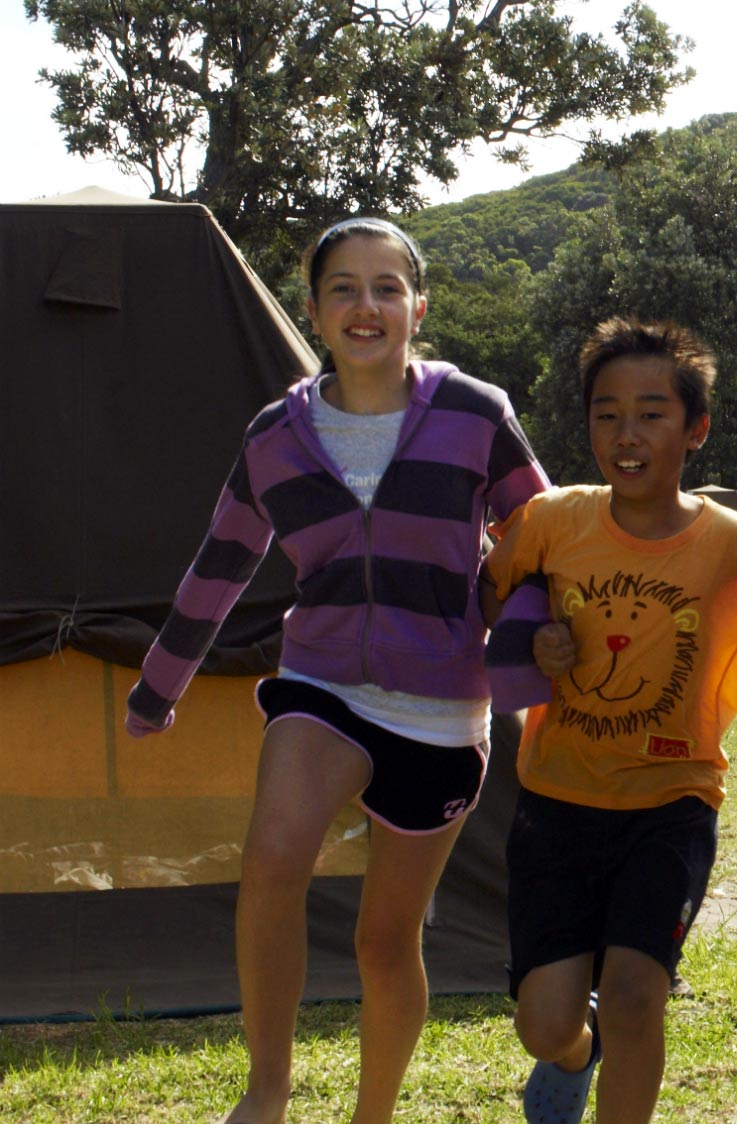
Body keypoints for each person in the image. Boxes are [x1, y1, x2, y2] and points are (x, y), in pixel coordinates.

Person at [124, 216, 549, 1124]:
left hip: (441, 709)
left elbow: (543, 540)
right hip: (322, 683)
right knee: (272, 861)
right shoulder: (277, 434)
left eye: (387, 286)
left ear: (417, 307)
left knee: (385, 940)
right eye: (345, 288)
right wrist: (159, 685)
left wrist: (528, 666)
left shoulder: (476, 413)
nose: (367, 305)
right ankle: (267, 1095)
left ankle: (372, 1115)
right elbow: (223, 561)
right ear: (314, 311)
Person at [482, 316, 737, 1124]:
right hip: (557, 804)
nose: (628, 435)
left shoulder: (732, 545)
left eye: (653, 413)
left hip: (673, 805)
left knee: (635, 995)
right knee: (544, 1022)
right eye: (607, 413)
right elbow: (487, 600)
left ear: (695, 429)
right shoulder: (553, 520)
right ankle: (576, 1052)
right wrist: (535, 639)